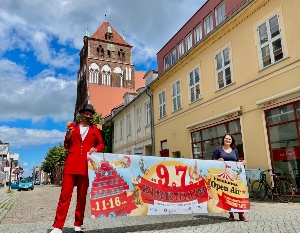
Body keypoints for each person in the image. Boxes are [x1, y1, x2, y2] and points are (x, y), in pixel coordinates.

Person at [50, 104, 105, 233]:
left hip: (86, 166)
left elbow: (101, 144)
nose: (88, 116)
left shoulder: (95, 129)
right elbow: (66, 145)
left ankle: (78, 225)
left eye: (90, 114)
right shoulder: (72, 127)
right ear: (81, 114)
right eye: (86, 113)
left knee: (81, 197)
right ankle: (58, 226)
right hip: (71, 164)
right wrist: (67, 137)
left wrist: (96, 149)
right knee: (65, 196)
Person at [212, 134, 249, 222]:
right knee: (227, 195)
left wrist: (242, 162)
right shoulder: (218, 149)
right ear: (223, 139)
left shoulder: (235, 150)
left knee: (238, 194)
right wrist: (217, 160)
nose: (227, 140)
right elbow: (212, 161)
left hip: (235, 176)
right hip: (223, 176)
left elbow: (236, 161)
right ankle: (231, 214)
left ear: (232, 141)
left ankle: (241, 215)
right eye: (226, 138)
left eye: (229, 139)